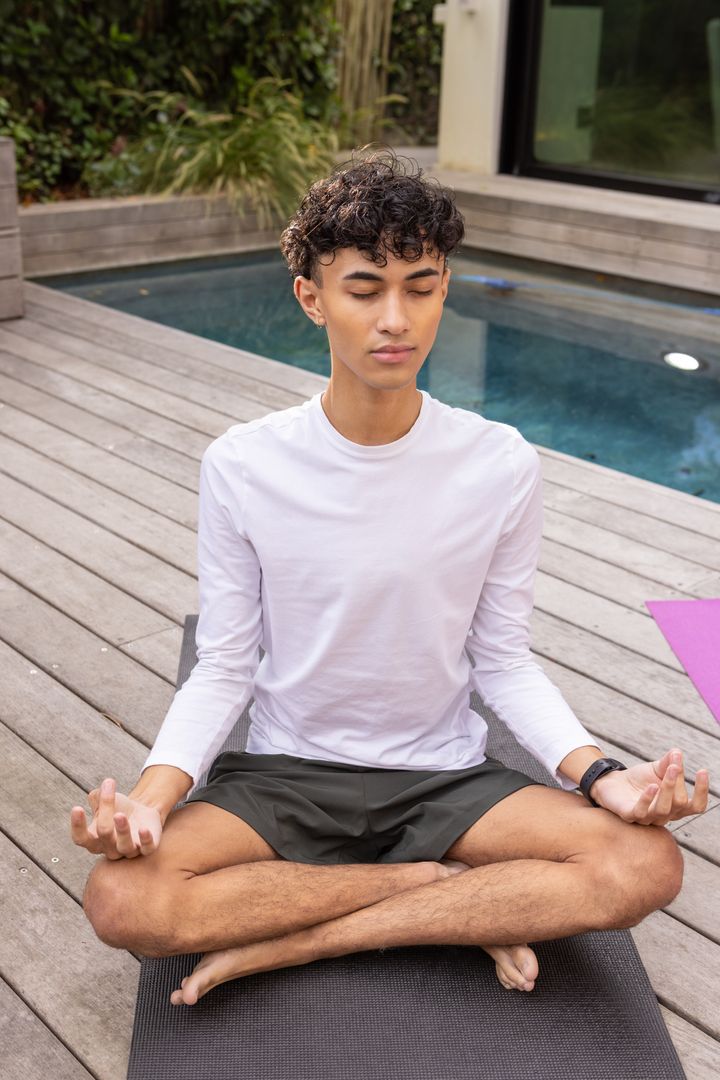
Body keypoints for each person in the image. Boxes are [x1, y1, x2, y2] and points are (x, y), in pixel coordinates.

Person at [72, 149, 709, 1008]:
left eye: (422, 284)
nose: (395, 318)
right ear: (312, 297)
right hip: (288, 774)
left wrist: (602, 777)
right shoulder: (245, 465)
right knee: (124, 897)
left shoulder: (499, 464)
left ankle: (297, 942)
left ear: (446, 288)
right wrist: (150, 799)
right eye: (365, 288)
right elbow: (225, 664)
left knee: (643, 862)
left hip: (442, 779)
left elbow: (503, 658)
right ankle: (436, 897)